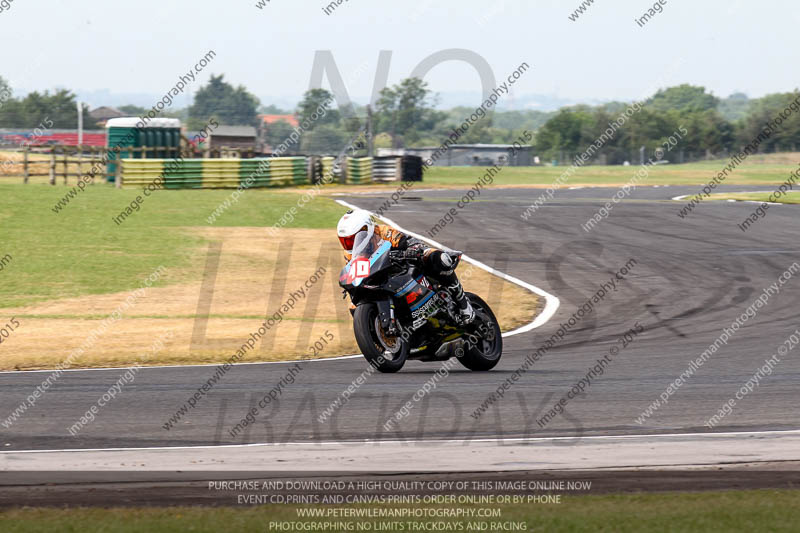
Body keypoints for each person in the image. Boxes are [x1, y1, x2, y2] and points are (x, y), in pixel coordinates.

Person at [336, 209, 474, 323]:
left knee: (439, 258)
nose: (350, 244)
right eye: (345, 241)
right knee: (354, 307)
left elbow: (407, 242)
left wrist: (411, 251)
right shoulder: (349, 254)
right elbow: (357, 273)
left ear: (367, 229)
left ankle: (464, 305)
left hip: (405, 262)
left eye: (353, 239)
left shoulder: (384, 232)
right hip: (383, 278)